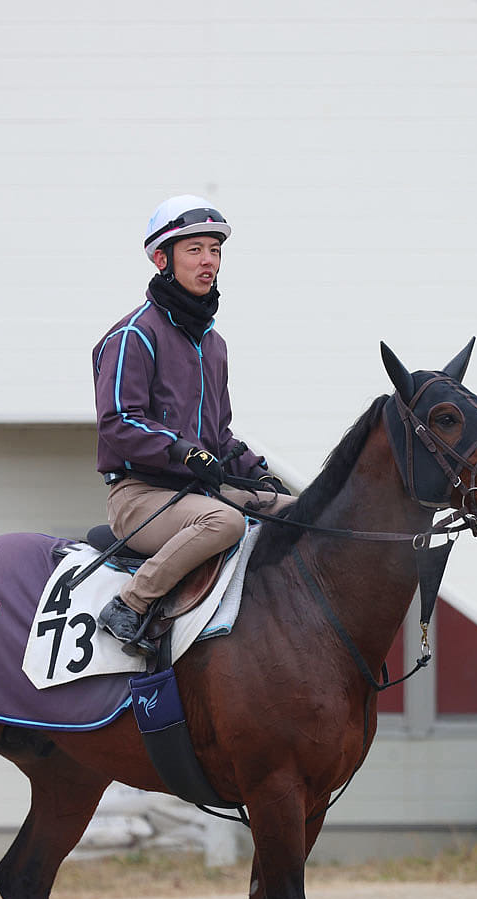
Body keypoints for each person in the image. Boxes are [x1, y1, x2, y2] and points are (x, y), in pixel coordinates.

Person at [93, 195, 294, 657]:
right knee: (224, 522)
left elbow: (219, 436)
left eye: (215, 250)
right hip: (138, 497)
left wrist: (257, 470)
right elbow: (117, 423)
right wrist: (182, 452)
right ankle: (130, 604)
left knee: (300, 511)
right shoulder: (132, 336)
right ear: (162, 260)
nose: (209, 262)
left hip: (198, 493)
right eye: (195, 250)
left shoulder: (214, 345)